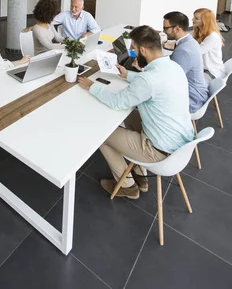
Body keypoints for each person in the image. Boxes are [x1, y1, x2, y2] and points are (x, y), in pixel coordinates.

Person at [78, 25, 193, 199]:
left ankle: (127, 186)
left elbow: (117, 102)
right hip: (178, 143)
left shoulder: (148, 80)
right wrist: (128, 76)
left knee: (101, 135)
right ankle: (140, 173)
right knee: (131, 116)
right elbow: (151, 82)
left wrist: (91, 86)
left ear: (143, 50)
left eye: (133, 49)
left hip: (158, 151)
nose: (132, 53)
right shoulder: (173, 67)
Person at [163, 11, 209, 113]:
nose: (164, 31)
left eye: (166, 28)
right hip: (197, 92)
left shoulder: (183, 51)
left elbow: (170, 80)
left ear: (177, 28)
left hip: (192, 100)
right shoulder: (189, 41)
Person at [192, 8, 226, 80]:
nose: (192, 19)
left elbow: (196, 51)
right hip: (202, 68)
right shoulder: (199, 31)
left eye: (196, 18)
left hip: (211, 71)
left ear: (205, 21)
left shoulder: (212, 37)